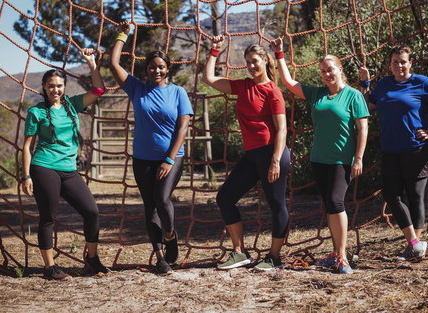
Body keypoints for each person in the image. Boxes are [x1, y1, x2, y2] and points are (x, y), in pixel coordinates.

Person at [270, 38, 369, 274]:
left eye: (330, 70)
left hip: (342, 160)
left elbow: (363, 128)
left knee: (336, 203)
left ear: (340, 70)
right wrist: (279, 54)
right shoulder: (318, 94)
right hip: (319, 159)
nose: (326, 74)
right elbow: (288, 82)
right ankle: (335, 254)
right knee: (329, 206)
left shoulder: (353, 95)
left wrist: (359, 158)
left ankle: (343, 257)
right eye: (323, 71)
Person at [109, 21, 193, 275]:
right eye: (152, 67)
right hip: (142, 158)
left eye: (161, 67)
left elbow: (182, 128)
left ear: (167, 69)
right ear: (147, 69)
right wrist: (123, 34)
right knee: (149, 206)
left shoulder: (178, 92)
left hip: (171, 157)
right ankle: (160, 258)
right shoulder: (138, 89)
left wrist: (168, 159)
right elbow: (113, 64)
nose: (157, 71)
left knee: (162, 198)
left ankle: (170, 234)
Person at [359, 45, 428, 261]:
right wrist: (365, 84)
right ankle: (414, 242)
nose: (399, 65)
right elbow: (367, 107)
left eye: (403, 61)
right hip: (390, 149)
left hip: (417, 148)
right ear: (390, 65)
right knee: (391, 195)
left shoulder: (421, 82)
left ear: (410, 63)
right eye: (395, 62)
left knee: (414, 196)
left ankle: (413, 248)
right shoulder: (384, 84)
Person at [202, 35, 290, 271]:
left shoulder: (273, 91)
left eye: (255, 61)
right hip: (252, 154)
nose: (251, 66)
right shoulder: (243, 86)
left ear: (264, 60)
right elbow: (209, 79)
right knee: (225, 197)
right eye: (247, 62)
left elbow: (282, 129)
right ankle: (240, 253)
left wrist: (275, 162)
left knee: (276, 203)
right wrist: (214, 50)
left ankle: (274, 257)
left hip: (273, 152)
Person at [22, 48, 108, 281]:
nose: (55, 89)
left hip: (69, 170)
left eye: (59, 85)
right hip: (44, 167)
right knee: (48, 218)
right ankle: (50, 268)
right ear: (44, 86)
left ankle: (91, 259)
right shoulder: (36, 112)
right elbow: (28, 146)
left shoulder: (72, 105)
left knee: (92, 211)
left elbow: (99, 89)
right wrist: (26, 176)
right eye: (51, 85)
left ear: (64, 87)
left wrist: (91, 63)